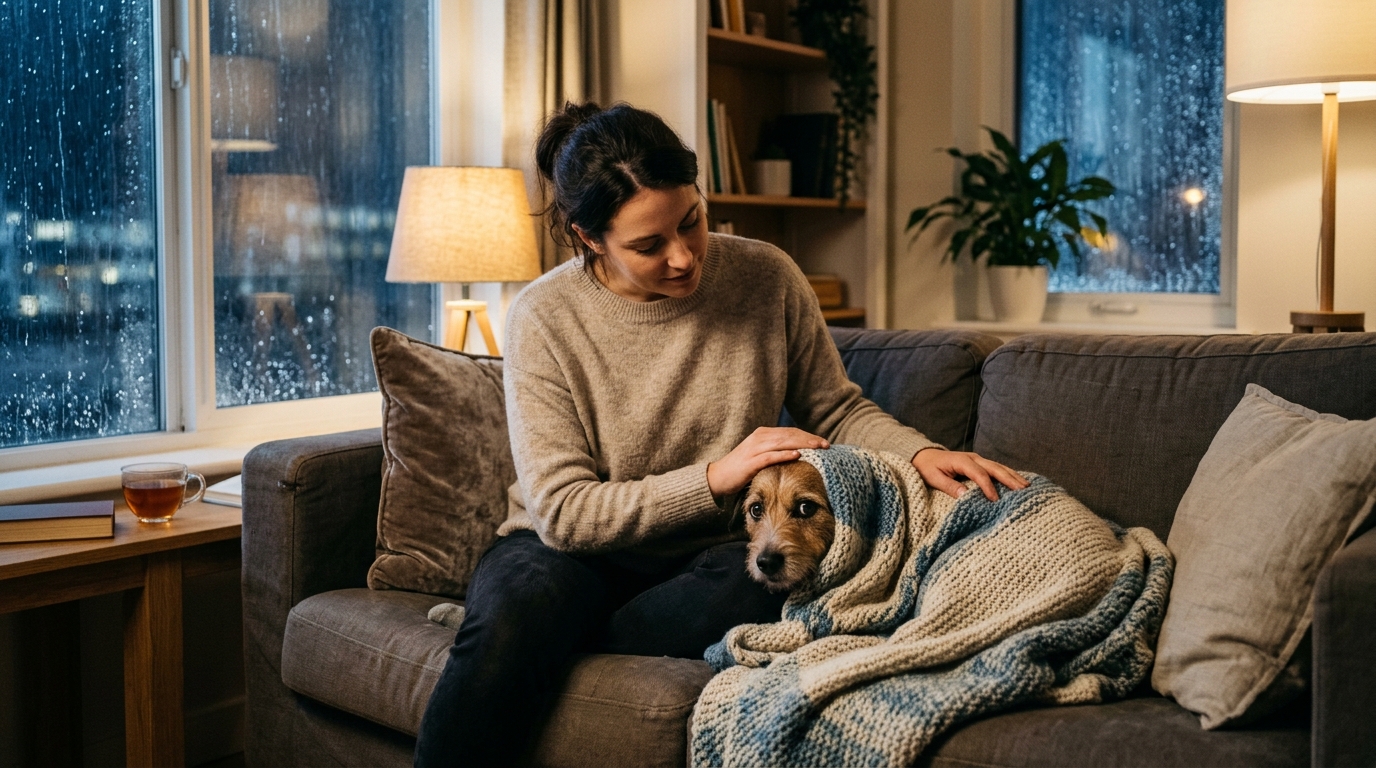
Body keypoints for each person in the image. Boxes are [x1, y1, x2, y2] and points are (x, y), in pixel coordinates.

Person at [413, 101, 1027, 767]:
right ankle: (538, 631)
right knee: (519, 609)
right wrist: (716, 477)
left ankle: (566, 639)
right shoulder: (543, 316)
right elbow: (562, 513)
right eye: (649, 246)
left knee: (771, 581)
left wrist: (924, 453)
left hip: (710, 556)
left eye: (692, 222)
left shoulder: (767, 276)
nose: (683, 257)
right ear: (590, 238)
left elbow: (837, 409)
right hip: (565, 552)